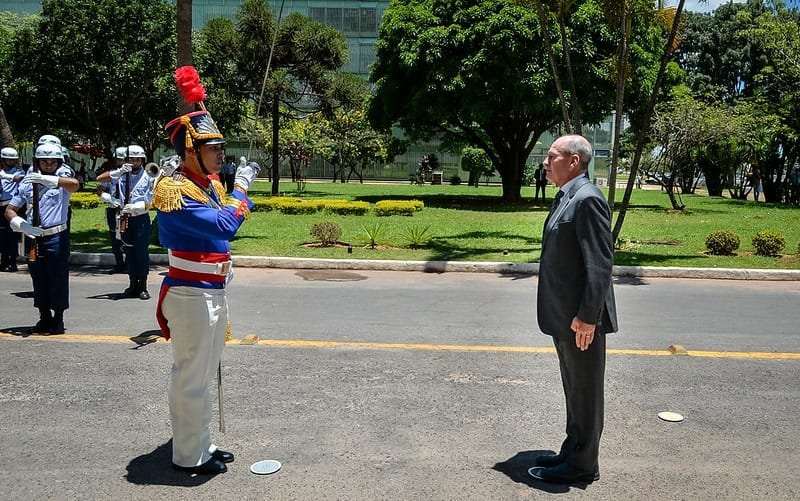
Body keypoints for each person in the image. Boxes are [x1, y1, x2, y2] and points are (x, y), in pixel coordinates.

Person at [154, 66, 259, 476]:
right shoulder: (176, 189)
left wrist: (233, 189)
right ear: (190, 151)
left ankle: (201, 444)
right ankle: (187, 456)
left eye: (220, 147)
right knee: (192, 376)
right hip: (191, 292)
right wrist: (243, 189)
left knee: (205, 370)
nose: (221, 154)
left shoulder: (208, 185)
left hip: (212, 290)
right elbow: (225, 225)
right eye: (213, 148)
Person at [528, 134, 617, 485]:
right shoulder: (568, 197)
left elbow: (599, 265)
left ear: (574, 161)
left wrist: (588, 317)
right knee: (574, 387)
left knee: (586, 390)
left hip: (582, 319)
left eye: (552, 157)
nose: (546, 163)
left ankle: (583, 465)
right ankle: (573, 448)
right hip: (566, 316)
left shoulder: (588, 200)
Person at [4, 142, 79, 335]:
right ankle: (44, 316)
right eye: (43, 161)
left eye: (52, 161)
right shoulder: (27, 183)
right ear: (36, 162)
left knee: (58, 278)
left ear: (58, 162)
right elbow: (10, 210)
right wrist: (22, 225)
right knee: (38, 278)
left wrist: (50, 180)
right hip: (34, 237)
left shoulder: (62, 179)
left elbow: (74, 185)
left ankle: (58, 319)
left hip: (56, 236)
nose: (48, 164)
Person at [96, 145, 155, 299]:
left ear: (142, 160)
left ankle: (142, 286)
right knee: (128, 252)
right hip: (123, 217)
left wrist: (138, 207)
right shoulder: (120, 174)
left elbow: (153, 201)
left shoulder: (149, 175)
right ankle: (132, 284)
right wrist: (110, 197)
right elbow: (100, 180)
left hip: (140, 218)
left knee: (141, 252)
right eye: (131, 159)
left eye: (137, 159)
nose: (134, 162)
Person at [96, 148, 127, 273]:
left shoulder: (133, 175)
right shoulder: (112, 173)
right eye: (118, 159)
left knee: (127, 237)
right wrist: (107, 198)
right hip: (113, 209)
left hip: (127, 209)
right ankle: (119, 264)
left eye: (122, 159)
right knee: (115, 238)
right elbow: (100, 189)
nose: (120, 162)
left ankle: (129, 264)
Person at [1, 147, 25, 272]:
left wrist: (5, 176)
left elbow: (18, 179)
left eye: (13, 160)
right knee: (2, 235)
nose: (11, 162)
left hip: (10, 206)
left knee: (11, 236)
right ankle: (3, 260)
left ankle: (12, 262)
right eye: (8, 160)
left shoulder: (18, 172)